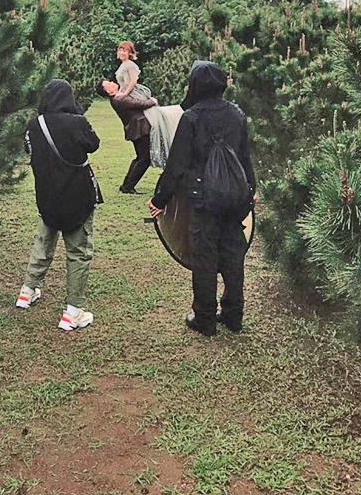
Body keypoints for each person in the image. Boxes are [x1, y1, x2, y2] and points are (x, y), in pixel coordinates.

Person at [147, 61, 256, 337]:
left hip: (203, 200)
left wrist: (160, 199)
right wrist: (250, 192)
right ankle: (233, 315)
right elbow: (245, 159)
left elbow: (177, 166)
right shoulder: (237, 114)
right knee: (234, 255)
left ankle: (205, 318)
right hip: (234, 198)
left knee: (204, 258)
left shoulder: (192, 118)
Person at [16, 79, 102, 332]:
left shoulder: (34, 125)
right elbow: (93, 144)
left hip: (47, 197)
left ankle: (27, 291)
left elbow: (28, 151)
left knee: (43, 242)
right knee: (78, 251)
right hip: (76, 198)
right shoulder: (76, 122)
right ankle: (72, 312)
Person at [113, 41, 179, 167]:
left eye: (125, 50)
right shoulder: (122, 65)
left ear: (130, 53)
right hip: (126, 93)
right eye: (120, 50)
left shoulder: (130, 65)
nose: (122, 53)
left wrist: (124, 94)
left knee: (149, 112)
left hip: (133, 93)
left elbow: (133, 82)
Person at [95, 79, 156, 194]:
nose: (112, 82)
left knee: (140, 157)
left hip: (137, 130)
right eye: (109, 84)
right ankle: (128, 186)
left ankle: (127, 185)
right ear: (108, 91)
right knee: (144, 158)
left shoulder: (119, 97)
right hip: (139, 130)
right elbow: (140, 104)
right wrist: (152, 101)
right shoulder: (119, 99)